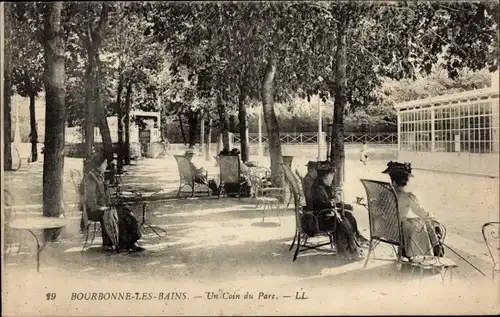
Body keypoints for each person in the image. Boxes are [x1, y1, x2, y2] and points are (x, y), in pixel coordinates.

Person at [80, 152, 144, 252]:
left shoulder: (98, 176)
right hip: (92, 211)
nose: (106, 165)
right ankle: (117, 244)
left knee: (125, 211)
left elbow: (104, 198)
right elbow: (90, 201)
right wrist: (103, 207)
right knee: (115, 214)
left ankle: (131, 242)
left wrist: (106, 190)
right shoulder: (90, 179)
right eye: (104, 163)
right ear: (99, 165)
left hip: (102, 208)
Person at [382, 161, 444, 259]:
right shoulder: (408, 196)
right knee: (428, 222)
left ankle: (433, 248)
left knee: (420, 223)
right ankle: (436, 249)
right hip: (399, 232)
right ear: (406, 182)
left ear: (392, 180)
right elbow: (420, 211)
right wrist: (431, 216)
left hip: (386, 230)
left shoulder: (384, 194)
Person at [310, 166, 364, 259]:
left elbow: (329, 200)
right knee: (343, 221)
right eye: (331, 176)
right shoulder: (318, 189)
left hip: (325, 215)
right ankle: (351, 248)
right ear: (325, 176)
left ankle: (352, 245)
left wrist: (333, 193)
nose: (333, 178)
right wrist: (334, 201)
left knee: (348, 215)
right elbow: (325, 205)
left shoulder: (321, 187)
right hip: (321, 219)